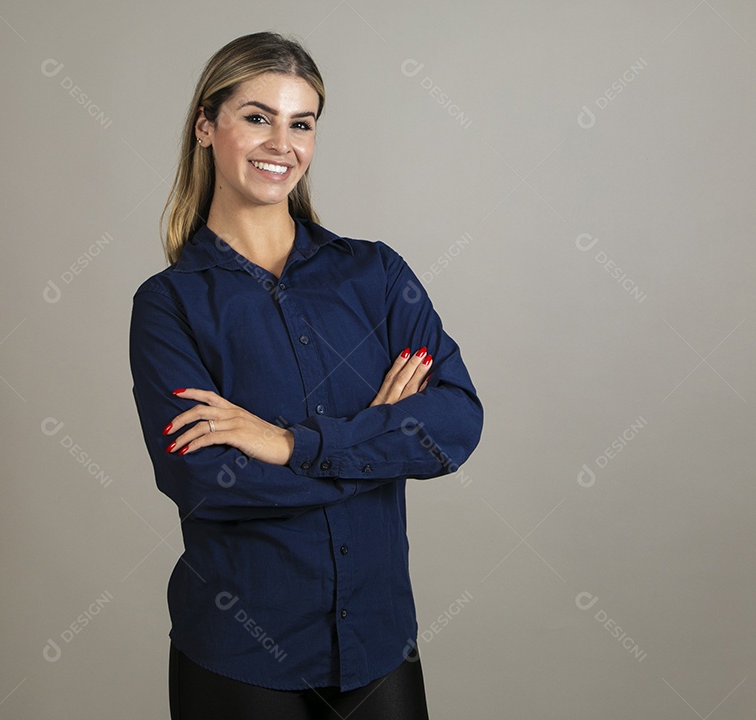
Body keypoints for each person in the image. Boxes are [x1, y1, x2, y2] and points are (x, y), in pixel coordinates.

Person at [128, 30, 483, 719]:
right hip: (240, 660)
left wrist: (289, 443)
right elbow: (206, 481)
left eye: (301, 123)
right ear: (206, 126)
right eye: (257, 117)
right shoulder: (169, 305)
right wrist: (377, 440)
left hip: (380, 644)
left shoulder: (376, 275)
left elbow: (455, 424)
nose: (281, 144)